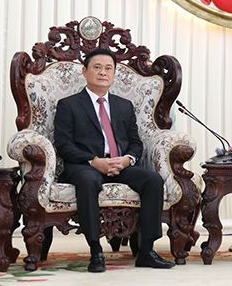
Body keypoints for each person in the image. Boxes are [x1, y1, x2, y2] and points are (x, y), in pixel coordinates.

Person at [54, 48, 175, 272]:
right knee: (89, 181)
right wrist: (94, 160)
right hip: (84, 165)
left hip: (119, 164)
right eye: (97, 67)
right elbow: (64, 145)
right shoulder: (68, 105)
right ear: (85, 71)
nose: (103, 72)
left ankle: (146, 250)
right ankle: (96, 251)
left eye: (108, 68)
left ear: (114, 73)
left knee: (152, 180)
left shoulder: (124, 105)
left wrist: (127, 160)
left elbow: (135, 142)